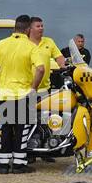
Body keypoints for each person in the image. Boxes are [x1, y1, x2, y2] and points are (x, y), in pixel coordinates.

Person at [0, 15, 47, 175]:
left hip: (4, 95)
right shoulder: (31, 46)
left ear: (14, 27)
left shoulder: (2, 44)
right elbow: (41, 69)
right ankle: (19, 165)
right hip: (23, 95)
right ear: (28, 29)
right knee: (22, 130)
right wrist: (33, 88)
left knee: (5, 129)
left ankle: (2, 165)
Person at [28, 17, 66, 161]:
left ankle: (45, 151)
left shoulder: (48, 42)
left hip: (45, 89)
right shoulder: (25, 43)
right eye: (38, 26)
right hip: (28, 89)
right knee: (30, 121)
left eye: (42, 25)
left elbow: (59, 57)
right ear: (30, 29)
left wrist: (66, 67)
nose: (41, 28)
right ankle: (30, 152)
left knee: (47, 121)